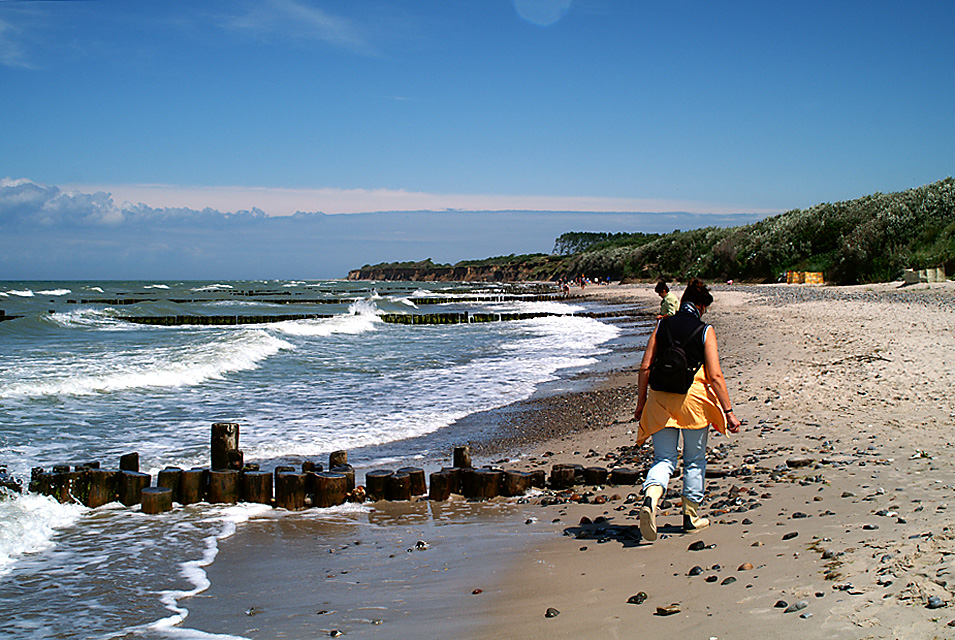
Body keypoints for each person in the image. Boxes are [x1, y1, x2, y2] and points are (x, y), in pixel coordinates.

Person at [633, 278, 741, 541]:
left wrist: (641, 404)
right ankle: (690, 517)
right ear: (701, 306)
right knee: (694, 460)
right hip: (693, 401)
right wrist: (728, 412)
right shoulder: (705, 330)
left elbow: (645, 367)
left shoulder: (662, 325)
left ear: (682, 303)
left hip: (660, 399)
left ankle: (651, 498)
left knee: (664, 460)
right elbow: (715, 375)